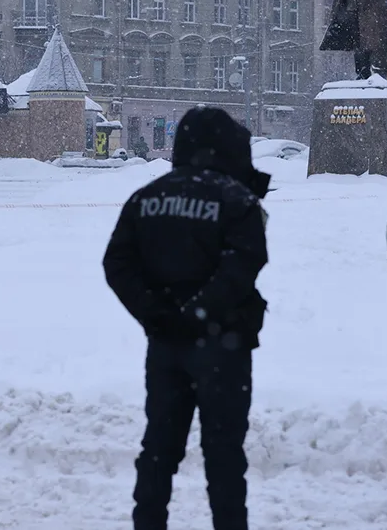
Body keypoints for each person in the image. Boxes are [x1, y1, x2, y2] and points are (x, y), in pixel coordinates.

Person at [103, 106, 271, 530]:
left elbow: (117, 263)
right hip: (224, 346)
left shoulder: (148, 197)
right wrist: (200, 312)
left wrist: (157, 313)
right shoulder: (237, 200)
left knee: (159, 448)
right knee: (225, 455)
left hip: (165, 345)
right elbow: (243, 265)